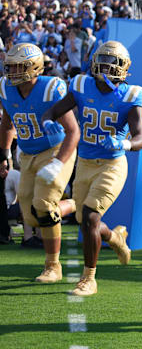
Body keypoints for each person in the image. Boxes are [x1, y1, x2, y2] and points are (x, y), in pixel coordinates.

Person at [41, 40, 142, 297]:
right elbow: (51, 112)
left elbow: (141, 138)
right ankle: (115, 237)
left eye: (114, 62)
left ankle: (89, 279)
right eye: (104, 60)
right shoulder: (80, 85)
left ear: (124, 68)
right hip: (85, 162)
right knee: (86, 222)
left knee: (89, 216)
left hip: (112, 164)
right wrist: (48, 124)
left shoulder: (131, 95)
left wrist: (123, 142)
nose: (108, 67)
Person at [0, 43, 79, 281]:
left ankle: (52, 266)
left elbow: (73, 131)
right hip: (27, 154)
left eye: (17, 67)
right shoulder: (7, 89)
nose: (11, 72)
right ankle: (76, 204)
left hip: (55, 149)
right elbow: (7, 124)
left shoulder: (50, 89)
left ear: (34, 67)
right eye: (10, 67)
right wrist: (4, 154)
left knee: (43, 204)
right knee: (31, 216)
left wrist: (58, 163)